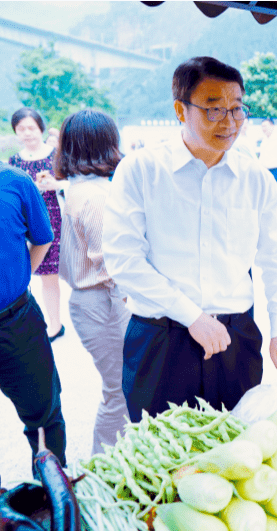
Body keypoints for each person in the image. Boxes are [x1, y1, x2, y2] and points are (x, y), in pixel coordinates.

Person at [103, 56, 277, 423]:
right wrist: (192, 316)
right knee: (160, 459)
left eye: (237, 110)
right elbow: (123, 260)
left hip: (236, 340)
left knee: (239, 454)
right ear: (181, 110)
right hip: (162, 340)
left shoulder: (255, 177)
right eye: (214, 110)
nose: (229, 123)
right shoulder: (142, 170)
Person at [56, 109, 130, 455]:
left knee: (118, 387)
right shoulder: (97, 195)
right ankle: (104, 466)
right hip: (103, 299)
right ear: (106, 144)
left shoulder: (80, 186)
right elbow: (114, 264)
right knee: (119, 389)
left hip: (91, 300)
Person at [0, 161, 67, 468]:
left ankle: (52, 499)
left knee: (44, 418)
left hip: (16, 322)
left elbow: (42, 238)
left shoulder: (15, 181)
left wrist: (17, 278)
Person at [8, 107, 65, 342]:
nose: (27, 133)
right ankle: (46, 322)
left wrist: (56, 185)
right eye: (21, 129)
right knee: (35, 274)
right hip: (25, 224)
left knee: (51, 275)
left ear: (41, 128)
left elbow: (73, 183)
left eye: (31, 127)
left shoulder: (57, 155)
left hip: (55, 220)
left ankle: (55, 323)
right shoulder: (14, 161)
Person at [259, 118, 277, 216]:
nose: (263, 129)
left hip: (274, 170)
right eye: (262, 127)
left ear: (272, 126)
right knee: (266, 197)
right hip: (265, 172)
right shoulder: (264, 140)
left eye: (265, 126)